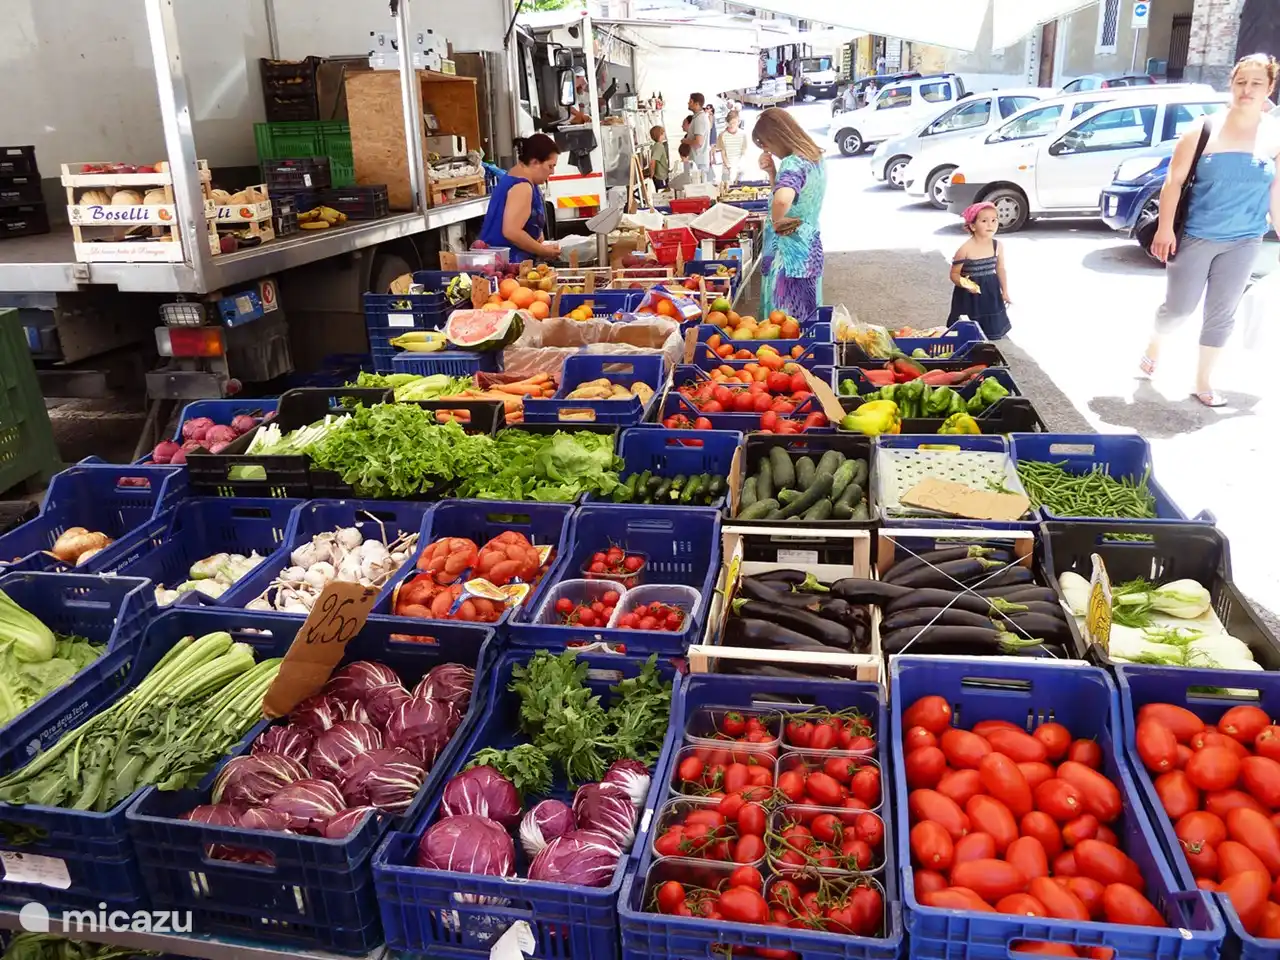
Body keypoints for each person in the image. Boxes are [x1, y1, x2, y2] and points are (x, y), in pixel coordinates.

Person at [1139, 53, 1280, 407]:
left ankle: (1203, 381)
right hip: (1197, 236)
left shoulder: (1275, 136)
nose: (1247, 90)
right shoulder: (1204, 128)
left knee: (1222, 313)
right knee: (1178, 310)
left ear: (1270, 88)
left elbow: (1276, 190)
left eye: (1256, 83)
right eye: (1241, 82)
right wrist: (1165, 230)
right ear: (1231, 84)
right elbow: (1173, 182)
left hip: (1245, 239)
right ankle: (1157, 340)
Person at [753, 107, 827, 322]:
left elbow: (784, 199)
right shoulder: (815, 157)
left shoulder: (793, 163)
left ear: (777, 137)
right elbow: (795, 196)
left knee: (784, 323)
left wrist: (777, 222)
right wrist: (772, 174)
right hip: (807, 249)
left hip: (788, 255)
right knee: (806, 316)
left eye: (764, 143)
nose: (766, 148)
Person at [476, 134, 561, 263]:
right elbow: (511, 232)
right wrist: (544, 251)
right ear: (534, 162)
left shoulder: (525, 181)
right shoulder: (522, 187)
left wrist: (537, 240)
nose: (552, 172)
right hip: (505, 266)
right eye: (550, 166)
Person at [948, 202, 1012, 339]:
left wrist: (1005, 291)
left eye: (994, 220)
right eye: (984, 221)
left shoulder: (997, 246)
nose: (990, 224)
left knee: (990, 329)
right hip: (969, 296)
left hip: (991, 291)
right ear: (972, 226)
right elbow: (954, 274)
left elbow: (1000, 268)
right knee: (967, 332)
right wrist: (965, 284)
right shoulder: (965, 249)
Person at [683, 92, 713, 175]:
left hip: (699, 162)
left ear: (696, 104)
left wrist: (685, 141)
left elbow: (698, 143)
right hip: (697, 160)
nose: (688, 103)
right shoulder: (697, 117)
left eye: (690, 101)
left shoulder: (700, 119)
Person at [716, 111, 749, 185]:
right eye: (730, 123)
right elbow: (723, 153)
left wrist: (738, 165)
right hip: (727, 169)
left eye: (734, 123)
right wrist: (729, 166)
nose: (732, 125)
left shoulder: (743, 135)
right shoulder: (722, 135)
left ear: (739, 122)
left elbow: (743, 152)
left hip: (739, 168)